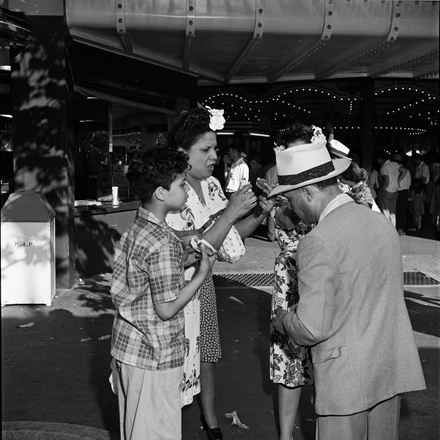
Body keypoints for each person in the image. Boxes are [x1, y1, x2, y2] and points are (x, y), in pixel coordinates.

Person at [270, 142, 426, 440]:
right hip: (388, 371)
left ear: (307, 193)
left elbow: (311, 328)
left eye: (290, 200)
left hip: (345, 382)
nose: (291, 208)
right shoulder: (380, 223)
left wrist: (282, 320)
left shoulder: (318, 240)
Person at [165, 106, 274, 439]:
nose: (216, 155)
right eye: (206, 150)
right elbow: (187, 251)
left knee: (207, 352)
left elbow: (226, 239)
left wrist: (258, 214)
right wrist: (229, 213)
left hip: (204, 284)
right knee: (172, 362)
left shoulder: (212, 186)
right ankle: (164, 424)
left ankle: (209, 418)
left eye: (215, 148)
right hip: (175, 289)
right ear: (182, 154)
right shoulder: (170, 190)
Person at [109, 147, 217, 440]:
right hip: (154, 356)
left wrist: (182, 260)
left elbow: (143, 281)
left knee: (133, 429)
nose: (186, 190)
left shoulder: (137, 227)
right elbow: (167, 309)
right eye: (182, 184)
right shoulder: (164, 241)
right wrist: (201, 274)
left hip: (128, 348)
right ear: (160, 192)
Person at [267, 121, 323, 440]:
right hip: (290, 283)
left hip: (325, 277)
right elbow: (287, 217)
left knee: (326, 362)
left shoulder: (331, 183)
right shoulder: (282, 189)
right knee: (291, 366)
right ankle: (285, 437)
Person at [376, 150, 402, 227]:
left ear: (380, 159)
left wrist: (380, 190)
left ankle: (387, 231)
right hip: (395, 192)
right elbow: (405, 171)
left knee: (385, 213)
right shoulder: (395, 164)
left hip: (386, 192)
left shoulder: (383, 168)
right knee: (392, 214)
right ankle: (393, 230)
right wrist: (397, 180)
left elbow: (386, 181)